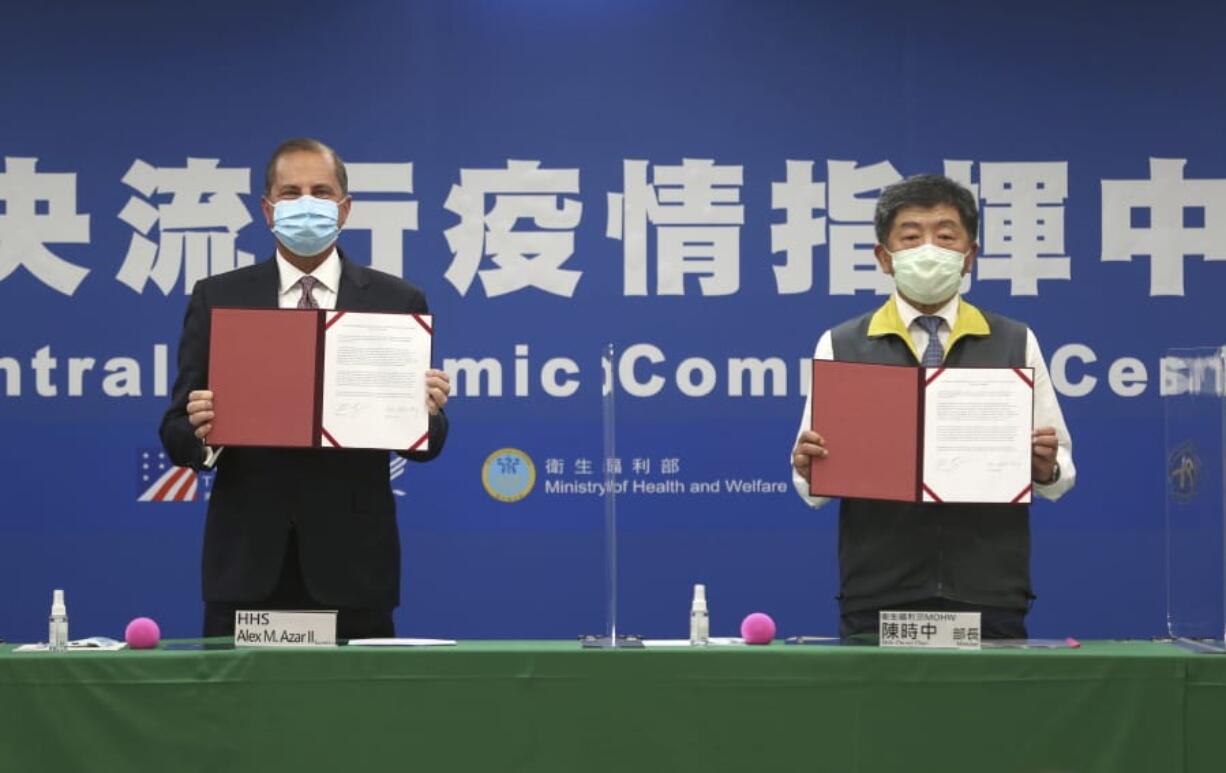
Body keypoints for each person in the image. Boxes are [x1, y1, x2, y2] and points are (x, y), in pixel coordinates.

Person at [159, 137, 451, 640]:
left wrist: (427, 413)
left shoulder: (395, 300)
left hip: (354, 570)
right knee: (245, 718)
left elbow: (424, 445)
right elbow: (175, 432)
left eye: (321, 190)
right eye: (290, 193)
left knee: (352, 718)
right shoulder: (221, 297)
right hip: (247, 567)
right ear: (268, 210)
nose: (306, 204)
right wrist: (202, 429)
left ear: (345, 207)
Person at [790, 174, 1075, 640]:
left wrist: (1043, 468)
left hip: (988, 592)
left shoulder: (1013, 340)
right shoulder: (842, 343)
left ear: (970, 257)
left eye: (945, 236)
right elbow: (810, 484)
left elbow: (1061, 469)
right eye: (910, 236)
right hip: (879, 593)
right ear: (885, 257)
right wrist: (808, 465)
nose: (929, 249)